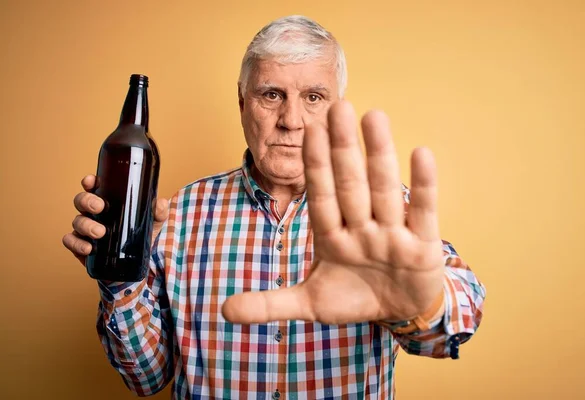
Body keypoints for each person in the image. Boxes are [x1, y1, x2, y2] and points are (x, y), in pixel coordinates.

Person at [63, 15, 485, 399]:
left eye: (314, 97)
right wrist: (121, 281)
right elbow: (146, 379)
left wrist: (421, 306)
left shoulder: (382, 208)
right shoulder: (180, 214)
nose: (292, 120)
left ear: (337, 107)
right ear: (242, 102)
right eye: (271, 94)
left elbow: (453, 321)